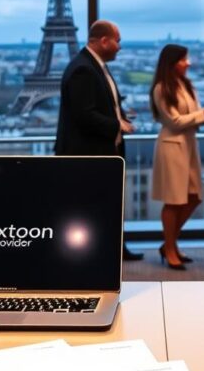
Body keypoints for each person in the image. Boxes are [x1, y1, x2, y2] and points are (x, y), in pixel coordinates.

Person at [54, 20, 143, 261]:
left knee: (104, 208)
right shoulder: (84, 69)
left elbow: (100, 106)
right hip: (88, 155)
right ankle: (94, 259)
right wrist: (118, 124)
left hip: (99, 153)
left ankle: (111, 253)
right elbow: (84, 115)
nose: (120, 47)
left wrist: (121, 116)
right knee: (90, 210)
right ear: (104, 41)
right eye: (118, 41)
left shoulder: (92, 65)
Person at [150, 44, 204, 270]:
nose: (188, 63)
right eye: (184, 59)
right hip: (172, 147)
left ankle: (169, 244)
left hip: (189, 144)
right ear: (172, 63)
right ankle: (171, 248)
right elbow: (174, 121)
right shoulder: (161, 88)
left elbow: (193, 117)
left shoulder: (186, 85)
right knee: (174, 200)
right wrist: (202, 115)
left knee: (194, 197)